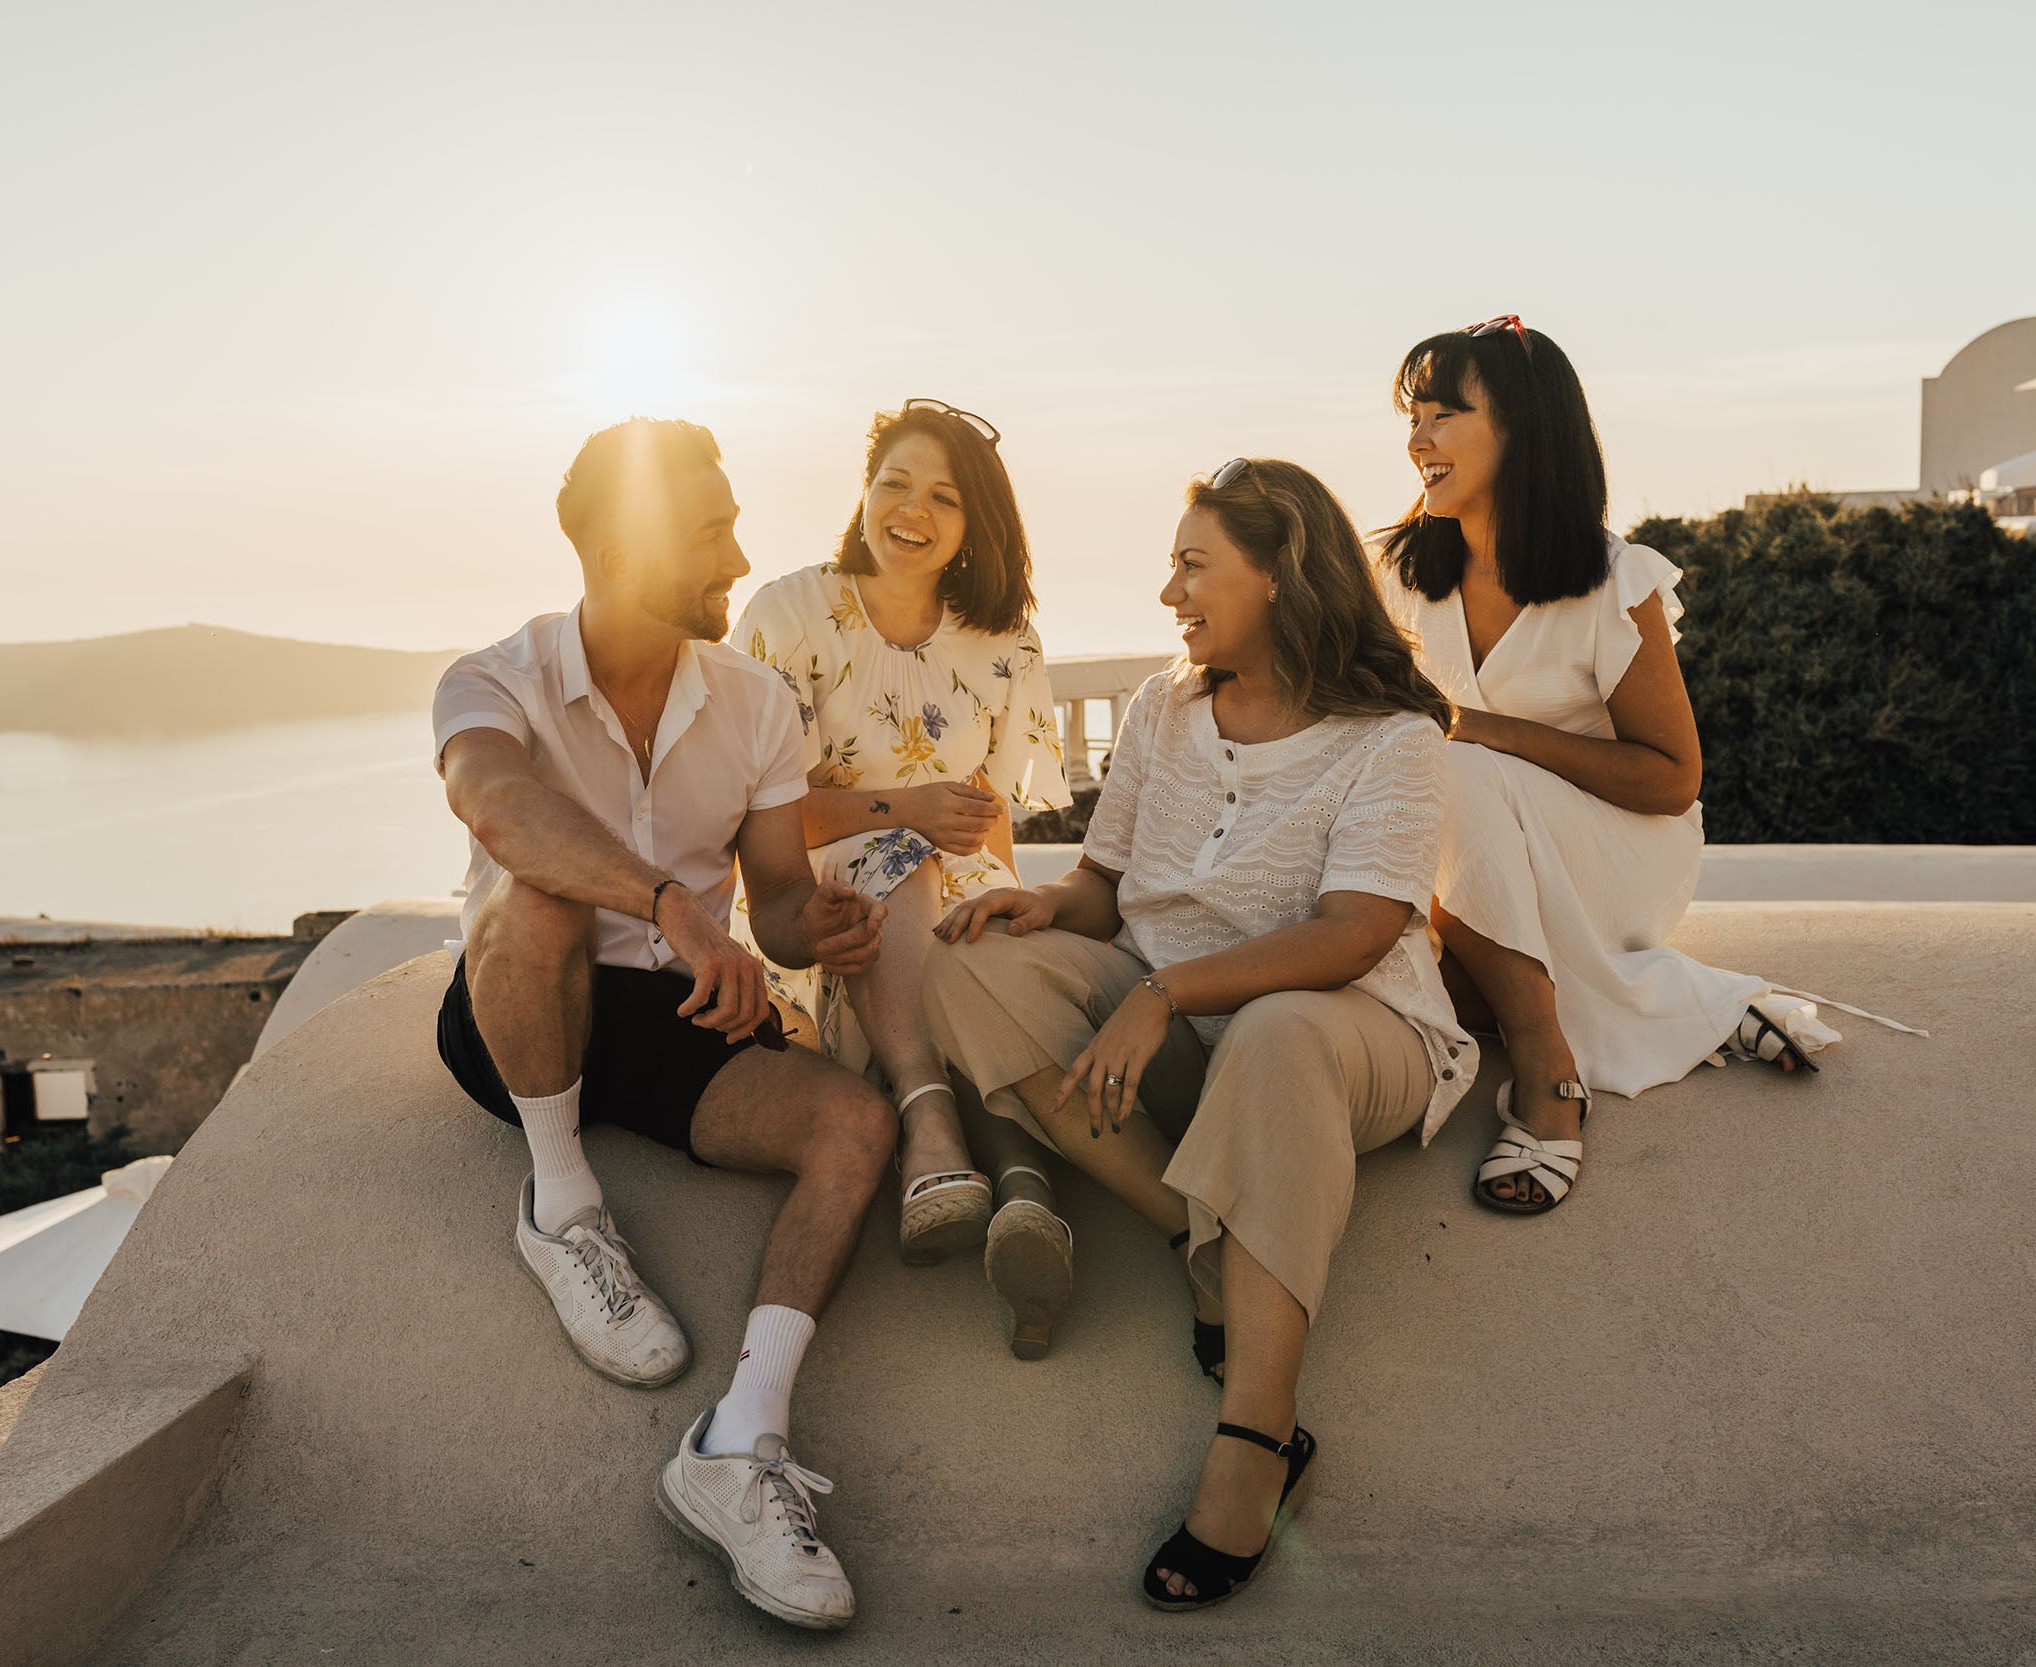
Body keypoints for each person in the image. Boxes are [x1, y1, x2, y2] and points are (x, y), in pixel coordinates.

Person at [923, 458, 1474, 1609]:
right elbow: (1105, 882)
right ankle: (1204, 1238)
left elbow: (1356, 930)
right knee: (968, 966)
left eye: (1192, 564)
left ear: (1279, 572)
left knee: (1274, 1030)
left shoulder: (1394, 734)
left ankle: (1259, 1433)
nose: (1169, 590)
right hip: (1165, 1022)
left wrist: (1166, 995)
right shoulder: (1160, 707)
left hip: (1347, 1033)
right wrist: (1041, 907)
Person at [431, 417, 899, 1631]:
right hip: (524, 1011)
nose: (738, 556)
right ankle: (561, 1201)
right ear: (615, 544)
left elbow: (782, 904)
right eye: (710, 530)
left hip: (682, 1016)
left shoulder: (754, 705)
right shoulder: (491, 679)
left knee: (853, 1126)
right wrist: (676, 908)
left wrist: (814, 926)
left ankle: (737, 1448)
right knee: (535, 896)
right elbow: (501, 812)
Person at [1377, 316, 1829, 1218]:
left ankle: (1548, 1071)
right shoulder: (1397, 577)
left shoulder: (1610, 580)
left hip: (1623, 851)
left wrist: (1488, 731)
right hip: (1482, 860)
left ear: (1522, 429)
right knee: (1437, 987)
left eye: (1443, 414)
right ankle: (1688, 999)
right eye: (1412, 415)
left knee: (1453, 768)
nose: (1417, 439)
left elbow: (1672, 778)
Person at [731, 398, 1075, 1350]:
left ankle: (1011, 1203)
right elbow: (747, 815)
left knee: (990, 952)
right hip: (823, 900)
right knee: (898, 867)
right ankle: (948, 1133)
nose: (910, 509)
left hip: (946, 901)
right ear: (864, 489)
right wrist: (906, 810)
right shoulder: (790, 614)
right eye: (893, 482)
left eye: (944, 496)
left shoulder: (1004, 642)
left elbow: (992, 823)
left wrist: (1008, 904)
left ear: (976, 526)